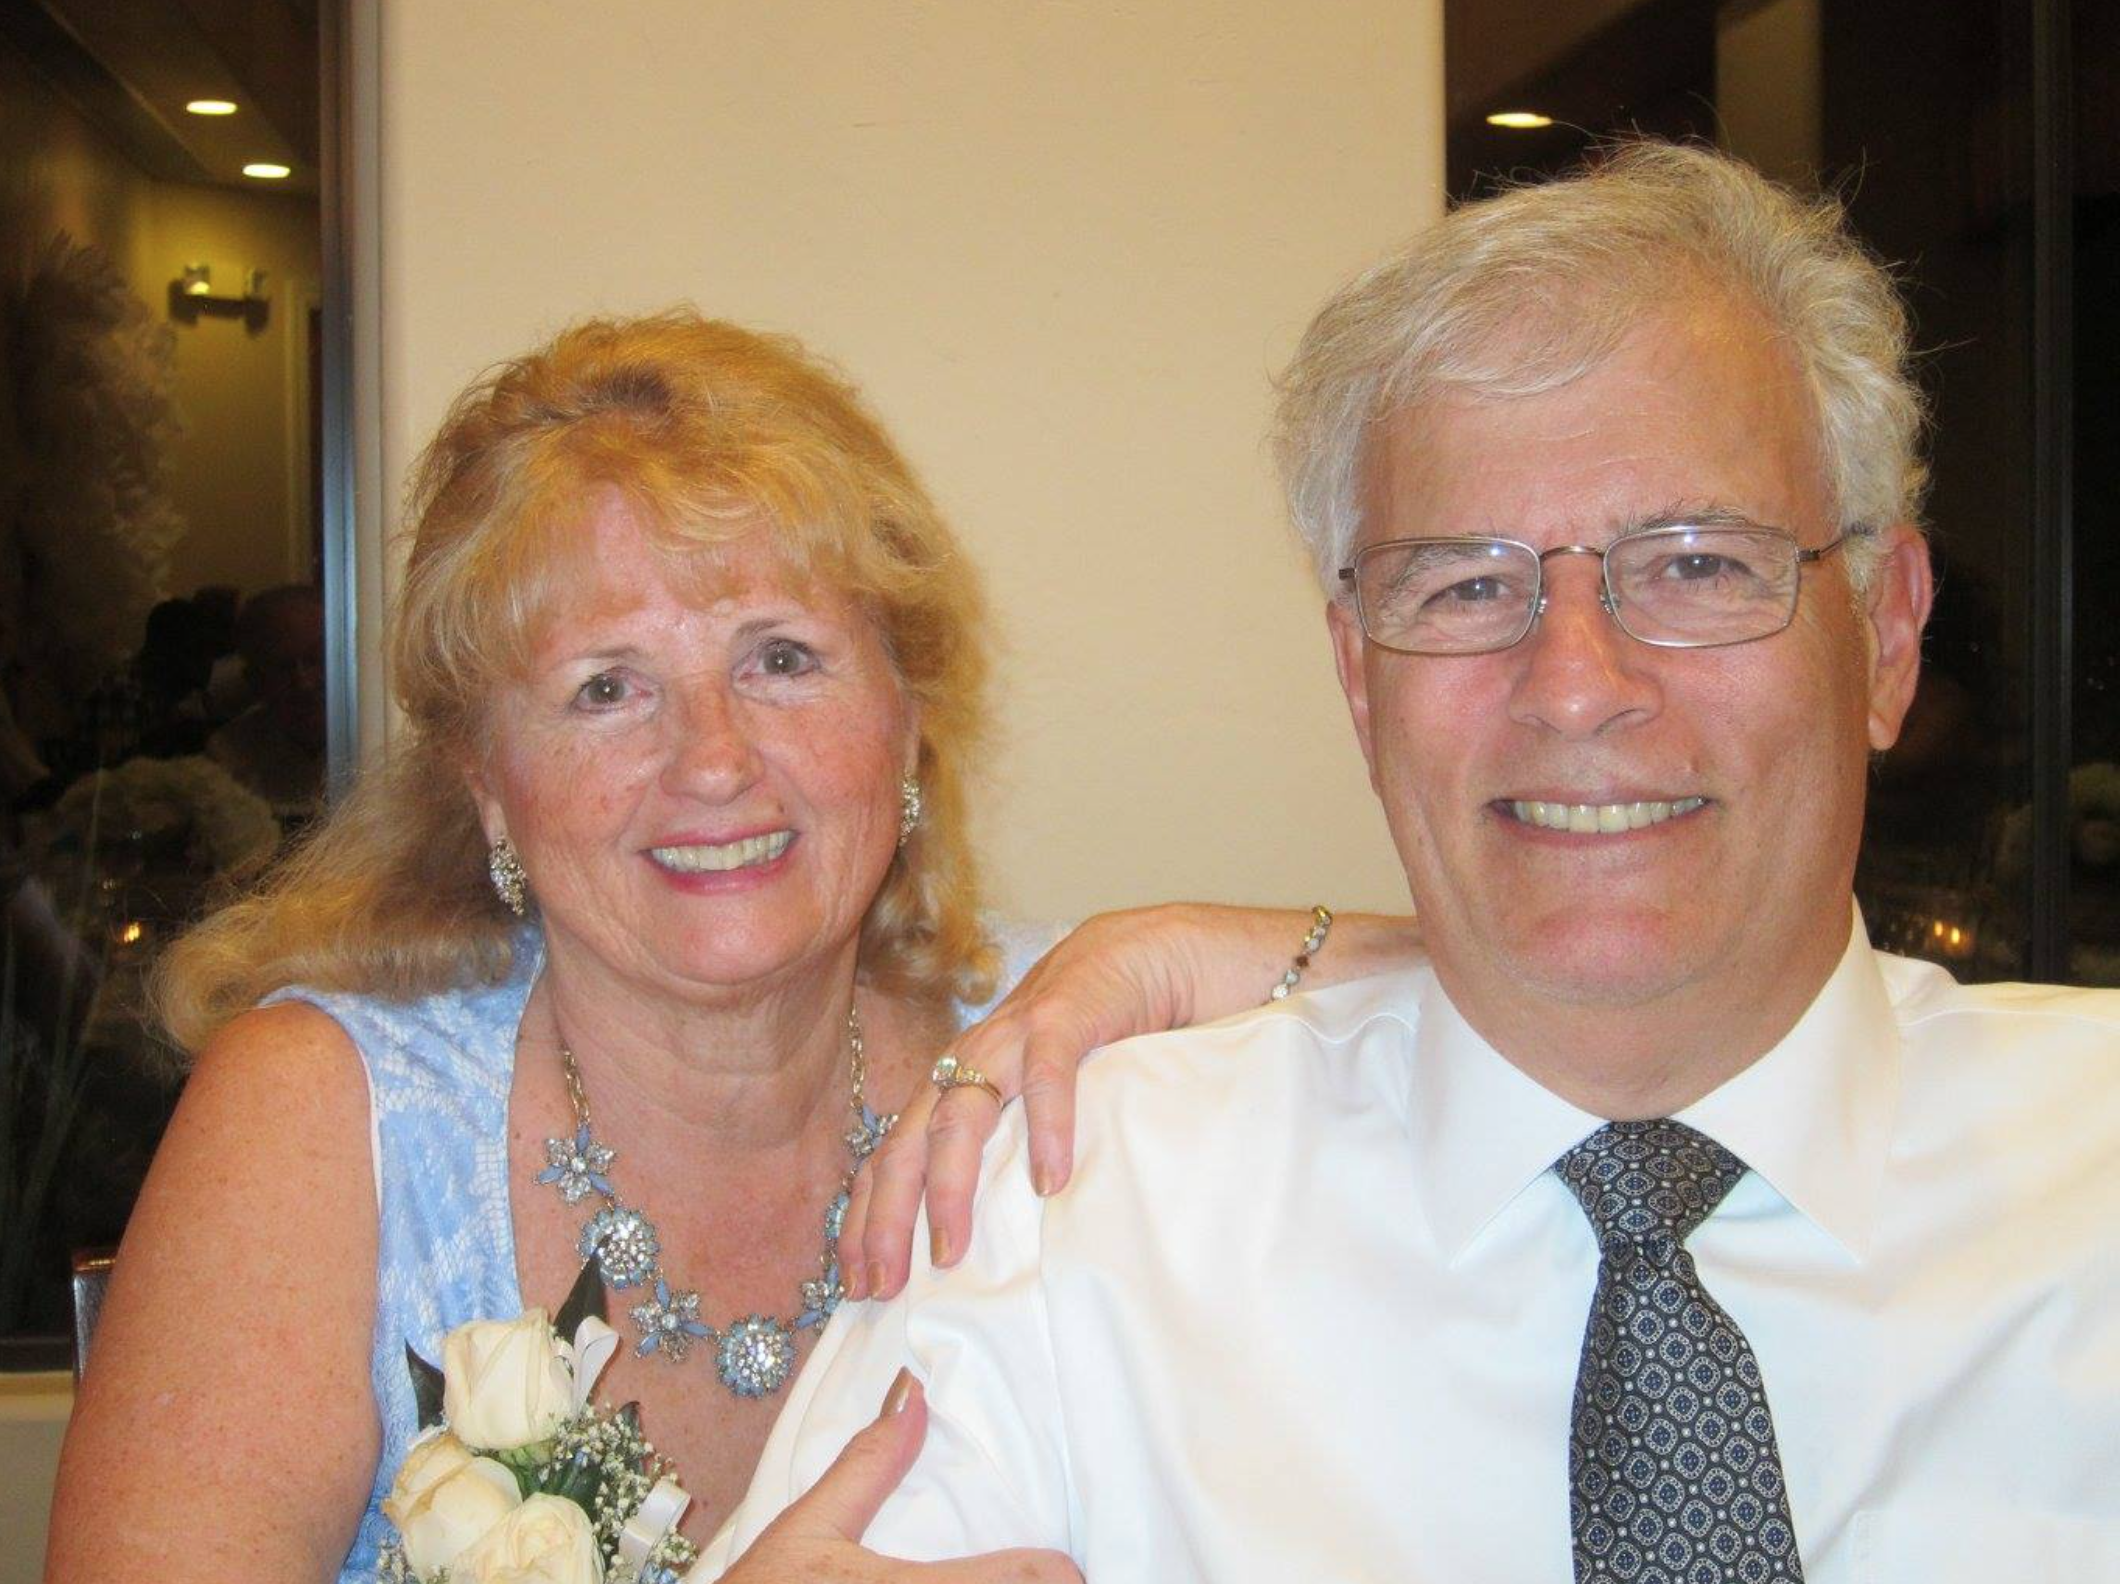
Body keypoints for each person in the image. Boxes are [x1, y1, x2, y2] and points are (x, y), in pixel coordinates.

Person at [713, 142, 2120, 1582]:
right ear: (1358, 680)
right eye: (1466, 585)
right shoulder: (1070, 1222)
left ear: (1885, 634)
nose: (1575, 685)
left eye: (1698, 563)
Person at [41, 312, 1420, 1582]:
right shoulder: (327, 1111)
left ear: (906, 714)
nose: (711, 761)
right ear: (484, 782)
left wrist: (1172, 954)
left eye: (780, 658)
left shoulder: (1052, 1032)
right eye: (605, 687)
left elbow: (1565, 1007)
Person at [206, 583, 328, 829]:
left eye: (316, 660)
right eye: (282, 668)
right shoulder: (231, 753)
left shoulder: (379, 735)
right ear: (255, 681)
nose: (303, 683)